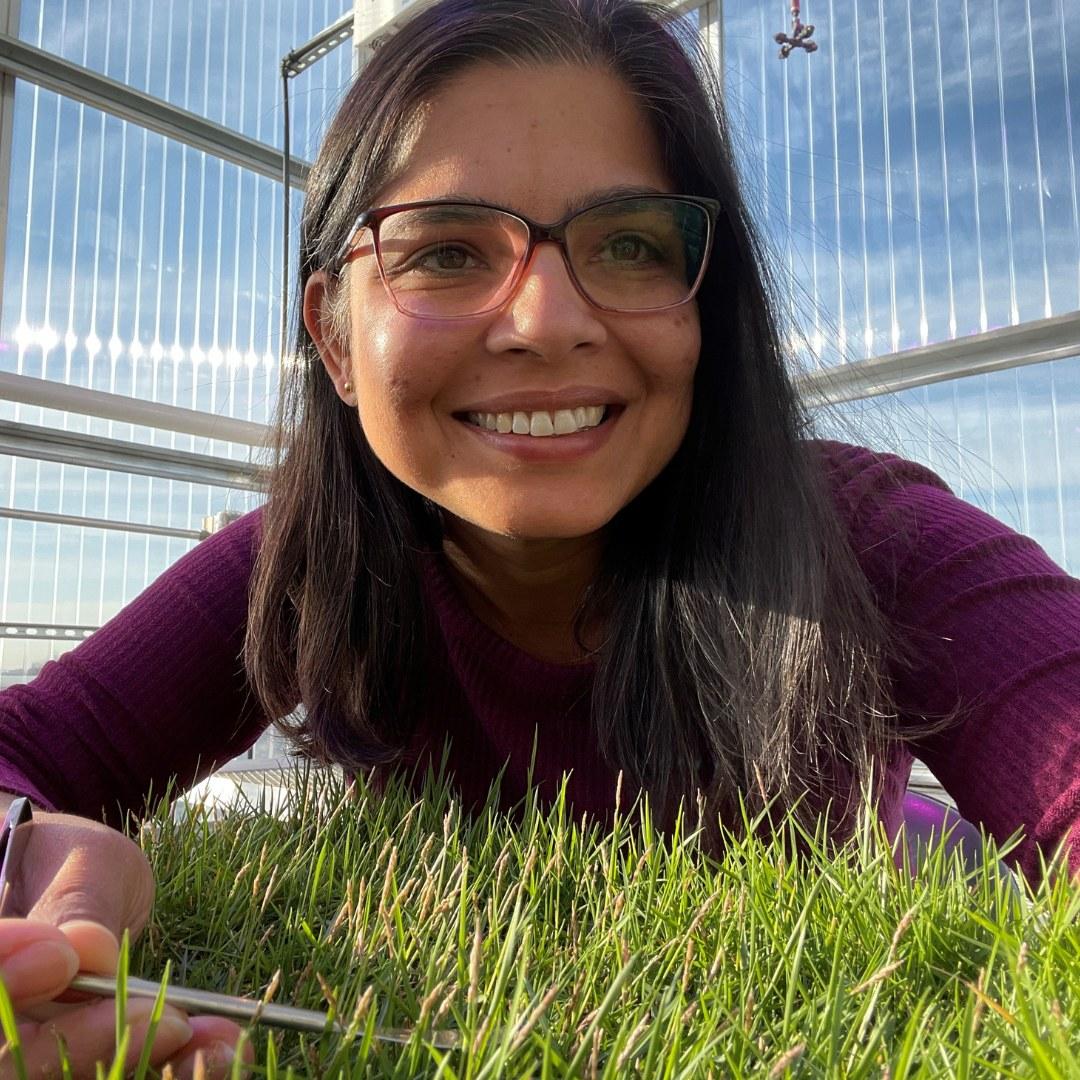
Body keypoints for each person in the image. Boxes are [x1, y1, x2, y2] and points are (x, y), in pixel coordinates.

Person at [1, 0, 1078, 1074]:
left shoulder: (869, 537)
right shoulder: (306, 561)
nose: (546, 320)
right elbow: (31, 745)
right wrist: (23, 858)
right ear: (333, 335)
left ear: (708, 304)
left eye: (630, 243)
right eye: (449, 253)